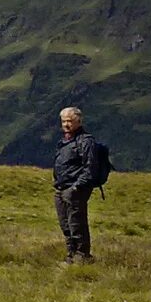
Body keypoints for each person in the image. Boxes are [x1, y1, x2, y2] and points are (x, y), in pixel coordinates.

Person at [53, 107, 97, 264]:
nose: (66, 124)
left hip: (74, 190)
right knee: (65, 224)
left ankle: (82, 256)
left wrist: (76, 188)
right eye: (64, 121)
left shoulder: (85, 141)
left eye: (69, 121)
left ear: (78, 121)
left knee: (76, 223)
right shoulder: (64, 141)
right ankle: (71, 255)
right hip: (60, 188)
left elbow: (91, 167)